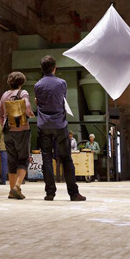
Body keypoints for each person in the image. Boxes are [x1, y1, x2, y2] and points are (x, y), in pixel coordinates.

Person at [34, 56, 86, 201]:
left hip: (44, 124)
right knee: (66, 158)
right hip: (59, 124)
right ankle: (73, 193)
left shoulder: (37, 85)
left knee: (46, 159)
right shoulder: (62, 83)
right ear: (54, 68)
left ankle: (50, 193)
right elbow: (61, 100)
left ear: (42, 68)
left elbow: (38, 103)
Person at [0, 71, 35, 200]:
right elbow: (27, 106)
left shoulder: (5, 95)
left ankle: (11, 191)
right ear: (22, 82)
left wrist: (4, 124)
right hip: (22, 130)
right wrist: (30, 114)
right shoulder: (23, 93)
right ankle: (17, 186)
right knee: (23, 159)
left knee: (12, 161)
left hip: (8, 131)